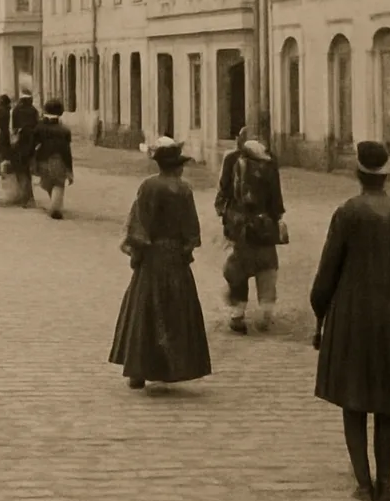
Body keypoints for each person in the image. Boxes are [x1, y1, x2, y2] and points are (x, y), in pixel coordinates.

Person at [310, 141, 390, 501]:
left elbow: (328, 271)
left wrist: (319, 311)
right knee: (387, 404)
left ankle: (363, 483)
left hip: (352, 317)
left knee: (354, 400)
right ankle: (387, 483)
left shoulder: (347, 213)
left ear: (357, 173)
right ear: (386, 175)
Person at [109, 137, 212, 391]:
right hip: (175, 258)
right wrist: (184, 251)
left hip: (152, 257)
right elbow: (191, 230)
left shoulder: (148, 186)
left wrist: (138, 254)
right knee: (177, 311)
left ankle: (138, 370)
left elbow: (140, 225)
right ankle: (175, 366)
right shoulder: (184, 190)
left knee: (145, 310)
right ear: (177, 166)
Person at [222, 138, 287, 334]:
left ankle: (237, 313)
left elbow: (224, 193)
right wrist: (275, 218)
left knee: (238, 268)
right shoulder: (269, 165)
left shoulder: (232, 161)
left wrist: (227, 221)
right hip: (264, 225)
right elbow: (276, 202)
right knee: (267, 266)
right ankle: (265, 313)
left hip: (240, 226)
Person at [31, 99, 74, 219]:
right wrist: (69, 170)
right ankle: (56, 206)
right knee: (58, 184)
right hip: (59, 160)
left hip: (43, 160)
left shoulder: (39, 127)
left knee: (47, 183)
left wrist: (33, 161)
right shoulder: (64, 130)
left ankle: (55, 205)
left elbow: (33, 145)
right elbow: (66, 151)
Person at [10, 89, 40, 208]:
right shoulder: (33, 111)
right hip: (31, 143)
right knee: (27, 171)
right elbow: (37, 126)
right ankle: (28, 196)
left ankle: (24, 197)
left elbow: (13, 128)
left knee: (20, 170)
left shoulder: (16, 110)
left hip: (19, 143)